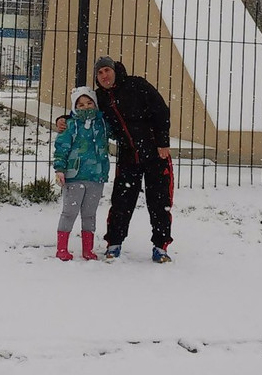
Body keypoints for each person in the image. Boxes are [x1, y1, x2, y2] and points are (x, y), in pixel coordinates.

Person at [56, 55, 174, 263]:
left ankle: (160, 246)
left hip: (155, 153)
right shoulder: (100, 97)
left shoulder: (137, 85)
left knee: (159, 202)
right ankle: (114, 243)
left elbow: (161, 110)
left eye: (106, 71)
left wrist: (162, 142)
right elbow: (83, 112)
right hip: (129, 155)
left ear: (115, 70)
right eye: (99, 73)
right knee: (122, 201)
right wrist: (64, 119)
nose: (104, 76)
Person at [52, 86, 109, 261]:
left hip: (96, 176)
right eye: (81, 104)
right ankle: (62, 248)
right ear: (75, 107)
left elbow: (118, 133)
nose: (85, 107)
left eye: (89, 103)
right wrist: (60, 169)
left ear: (96, 104)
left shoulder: (103, 124)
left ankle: (88, 250)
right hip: (74, 176)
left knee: (89, 214)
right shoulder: (70, 125)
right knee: (69, 212)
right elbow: (61, 148)